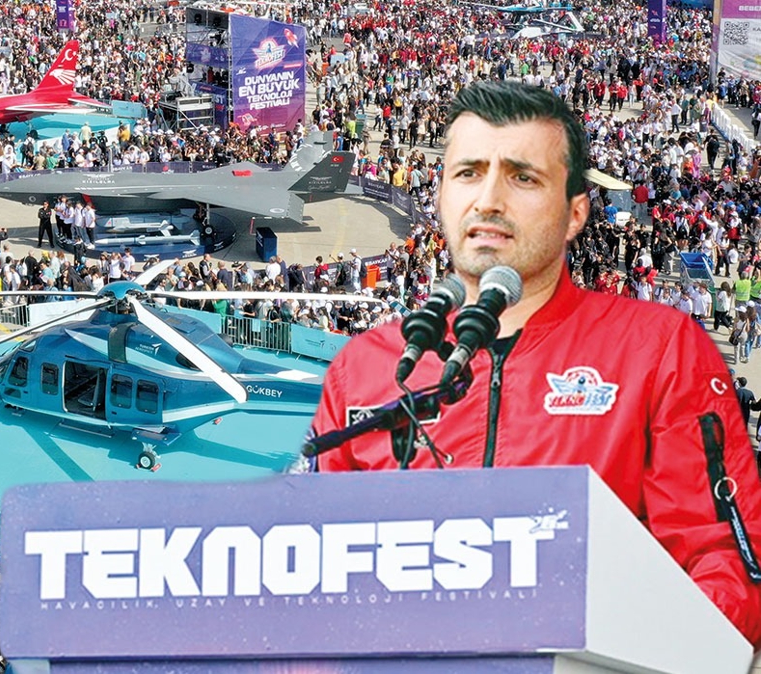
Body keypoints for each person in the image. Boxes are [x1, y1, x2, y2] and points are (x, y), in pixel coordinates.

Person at [308, 81, 761, 646]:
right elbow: (310, 566)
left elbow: (721, 558)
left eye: (523, 177)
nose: (488, 201)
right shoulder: (363, 368)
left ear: (575, 214)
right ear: (441, 195)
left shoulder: (659, 351)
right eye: (468, 173)